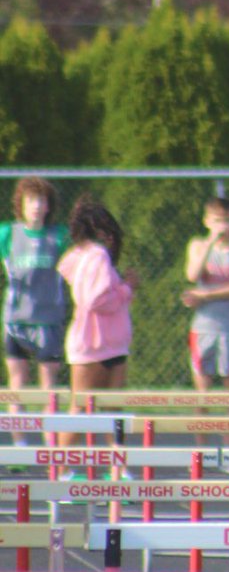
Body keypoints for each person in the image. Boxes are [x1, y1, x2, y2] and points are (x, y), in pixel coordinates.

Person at [0, 178, 70, 438]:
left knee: (48, 388)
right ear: (21, 204)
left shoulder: (59, 236)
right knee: (17, 384)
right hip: (16, 320)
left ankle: (50, 447)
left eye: (42, 201)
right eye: (31, 200)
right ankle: (19, 446)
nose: (37, 206)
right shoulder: (7, 234)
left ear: (49, 206)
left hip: (48, 320)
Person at [57, 196, 138, 395]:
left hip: (113, 345)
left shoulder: (85, 255)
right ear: (101, 231)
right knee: (82, 408)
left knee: (111, 409)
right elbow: (95, 300)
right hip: (94, 347)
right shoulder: (96, 254)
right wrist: (127, 289)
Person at [181, 196, 229, 392]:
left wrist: (204, 295)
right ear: (206, 222)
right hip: (202, 328)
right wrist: (210, 243)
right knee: (202, 396)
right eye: (217, 221)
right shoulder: (198, 245)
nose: (222, 226)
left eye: (227, 221)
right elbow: (192, 275)